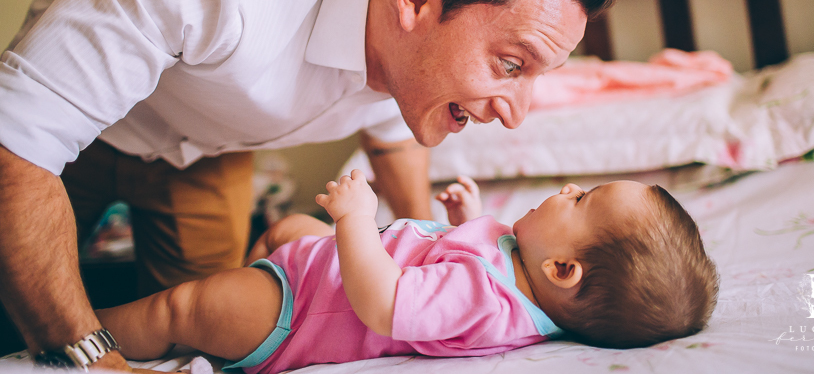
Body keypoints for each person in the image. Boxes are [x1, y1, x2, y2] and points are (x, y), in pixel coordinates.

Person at [0, 0, 624, 369]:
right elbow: (16, 147)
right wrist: (92, 361)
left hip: (208, 154)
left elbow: (394, 142)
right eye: (513, 66)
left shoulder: (414, 41)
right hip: (63, 141)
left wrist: (420, 256)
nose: (518, 115)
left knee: (192, 329)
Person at [96, 172, 719, 370]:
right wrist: (464, 219)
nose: (568, 187)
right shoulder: (516, 269)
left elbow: (386, 304)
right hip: (313, 280)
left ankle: (92, 337)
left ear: (562, 269)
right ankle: (183, 338)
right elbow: (445, 257)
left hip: (297, 315)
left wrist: (356, 220)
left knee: (184, 308)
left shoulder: (486, 301)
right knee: (283, 232)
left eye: (581, 201)